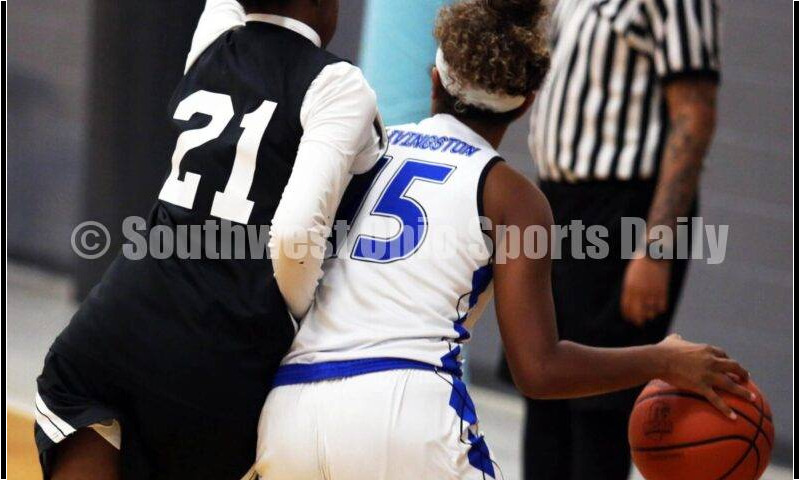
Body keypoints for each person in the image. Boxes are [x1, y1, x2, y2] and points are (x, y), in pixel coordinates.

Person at [254, 1, 749, 479]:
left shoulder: (371, 148)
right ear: (528, 102)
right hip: (405, 413)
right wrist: (663, 358)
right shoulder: (514, 199)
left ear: (434, 78)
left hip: (288, 408)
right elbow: (538, 368)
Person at [33, 0, 385, 478]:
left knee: (73, 388)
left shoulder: (212, 42)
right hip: (221, 355)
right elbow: (294, 236)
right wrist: (287, 316)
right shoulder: (338, 84)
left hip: (117, 320)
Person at [524, 0, 722, 477]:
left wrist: (657, 249)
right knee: (545, 392)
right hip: (558, 205)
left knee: (601, 406)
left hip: (623, 214)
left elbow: (694, 115)